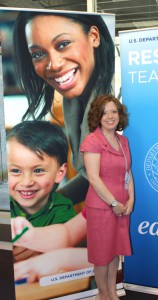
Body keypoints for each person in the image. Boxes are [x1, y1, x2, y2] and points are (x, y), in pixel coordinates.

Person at [13, 10, 115, 205]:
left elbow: (116, 185)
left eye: (63, 44)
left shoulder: (120, 98)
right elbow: (91, 177)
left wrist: (63, 231)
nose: (54, 64)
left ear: (93, 36)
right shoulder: (73, 100)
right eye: (39, 54)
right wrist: (45, 205)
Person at [80, 94, 134, 300]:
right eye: (104, 113)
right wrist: (113, 203)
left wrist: (131, 200)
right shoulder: (92, 141)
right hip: (103, 207)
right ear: (97, 116)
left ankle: (112, 292)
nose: (110, 116)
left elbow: (129, 173)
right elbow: (94, 178)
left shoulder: (123, 141)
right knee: (102, 256)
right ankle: (102, 295)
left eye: (114, 111)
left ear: (119, 115)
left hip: (121, 206)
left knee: (114, 253)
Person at [7, 120, 77, 261]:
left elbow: (67, 252)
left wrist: (41, 246)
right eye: (15, 171)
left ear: (60, 172)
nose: (26, 182)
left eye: (38, 170)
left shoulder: (63, 209)